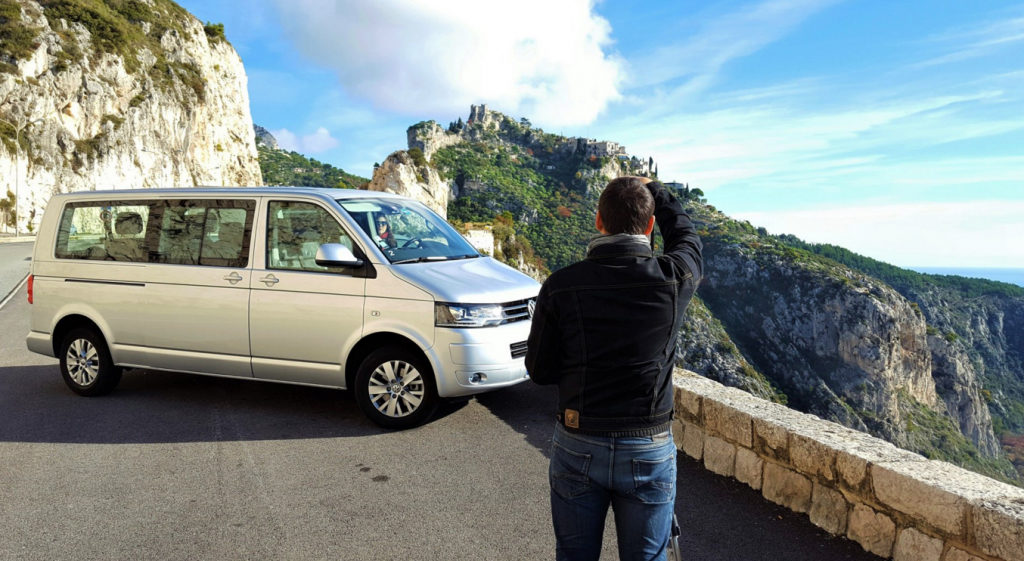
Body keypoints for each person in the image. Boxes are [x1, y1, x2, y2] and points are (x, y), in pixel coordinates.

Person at [525, 176, 702, 561]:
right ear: (651, 226)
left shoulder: (560, 287)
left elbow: (539, 370)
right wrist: (657, 191)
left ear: (598, 221)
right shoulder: (673, 279)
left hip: (578, 439)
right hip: (648, 445)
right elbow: (688, 240)